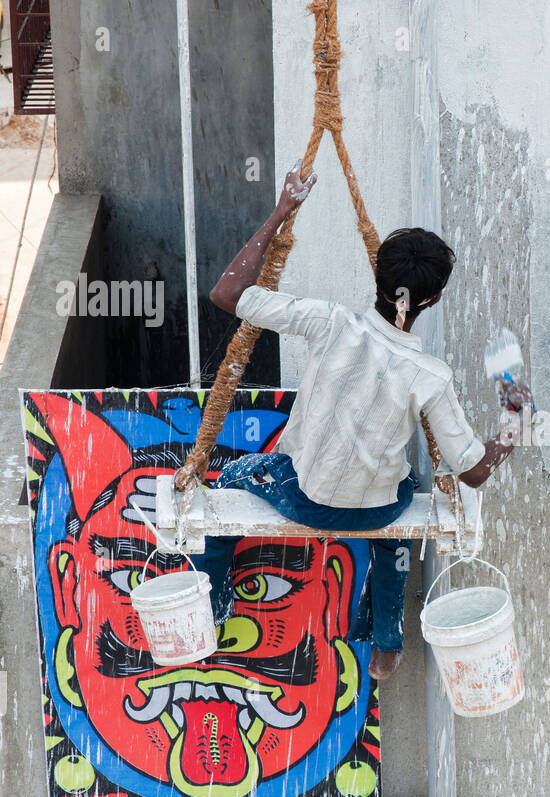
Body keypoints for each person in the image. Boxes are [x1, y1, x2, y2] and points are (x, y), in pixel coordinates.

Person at [200, 163, 531, 679]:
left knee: (226, 486)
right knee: (398, 515)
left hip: (302, 496)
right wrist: (516, 419)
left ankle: (212, 613)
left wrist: (281, 212)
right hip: (377, 511)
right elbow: (474, 472)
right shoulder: (430, 374)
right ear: (434, 299)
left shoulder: (328, 321)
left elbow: (227, 294)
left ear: (377, 274)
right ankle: (385, 646)